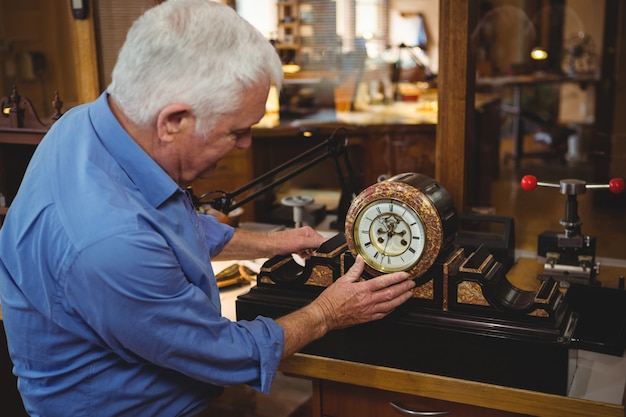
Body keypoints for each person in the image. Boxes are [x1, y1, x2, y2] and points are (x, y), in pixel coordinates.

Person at [0, 1, 416, 416]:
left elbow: (168, 224)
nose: (248, 144)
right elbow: (226, 354)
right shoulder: (109, 244)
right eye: (237, 131)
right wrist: (328, 312)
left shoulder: (87, 124)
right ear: (173, 121)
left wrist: (274, 243)